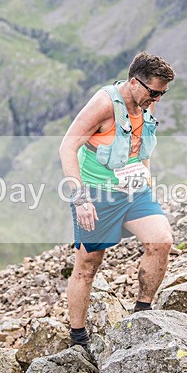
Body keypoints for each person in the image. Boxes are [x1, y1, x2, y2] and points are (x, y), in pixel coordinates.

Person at [58, 51, 175, 350]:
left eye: (163, 94)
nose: (157, 100)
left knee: (161, 241)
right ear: (135, 83)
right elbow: (68, 146)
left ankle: (142, 314)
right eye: (155, 93)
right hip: (96, 193)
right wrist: (81, 199)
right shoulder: (104, 104)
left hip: (134, 191)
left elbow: (141, 150)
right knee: (88, 264)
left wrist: (148, 183)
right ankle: (78, 338)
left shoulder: (144, 104)